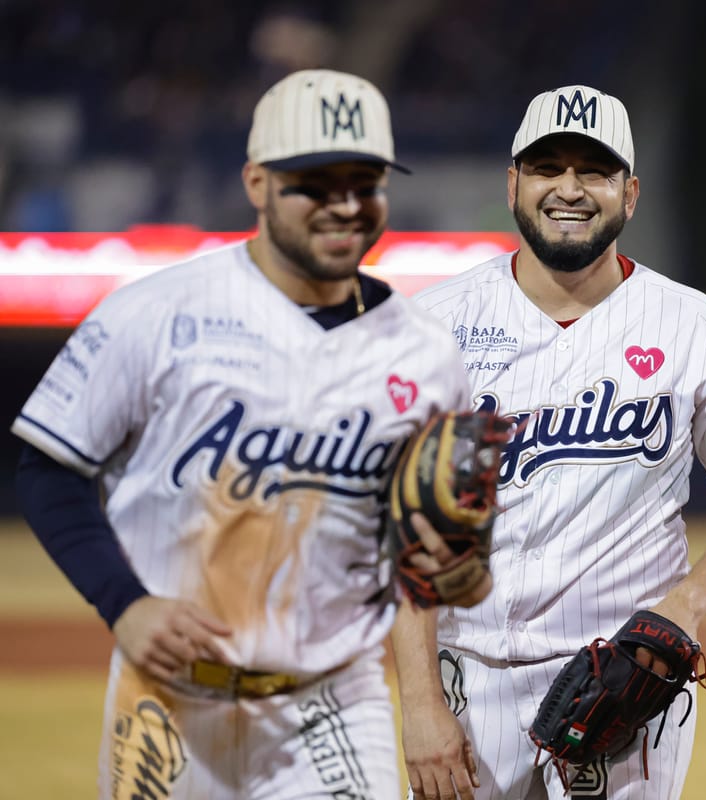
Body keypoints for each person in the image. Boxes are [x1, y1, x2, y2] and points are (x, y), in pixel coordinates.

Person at [11, 68, 484, 799]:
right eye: (316, 185)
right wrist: (124, 604)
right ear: (257, 183)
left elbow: (428, 550)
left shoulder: (426, 355)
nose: (346, 206)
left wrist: (459, 571)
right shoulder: (155, 312)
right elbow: (48, 468)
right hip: (164, 694)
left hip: (332, 699)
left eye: (365, 183)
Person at [393, 84, 706, 800]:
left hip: (625, 682)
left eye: (594, 171)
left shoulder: (691, 324)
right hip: (465, 679)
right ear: (514, 184)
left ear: (630, 193)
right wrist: (418, 702)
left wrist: (687, 605)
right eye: (548, 169)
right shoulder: (433, 324)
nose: (569, 189)